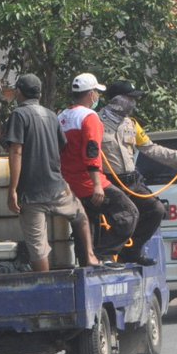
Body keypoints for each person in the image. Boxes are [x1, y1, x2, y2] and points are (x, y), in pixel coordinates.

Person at [2, 73, 99, 271]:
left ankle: (45, 284)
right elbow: (62, 145)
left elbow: (16, 151)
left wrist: (13, 189)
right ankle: (89, 256)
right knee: (80, 216)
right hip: (57, 187)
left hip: (31, 193)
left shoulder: (19, 115)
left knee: (38, 247)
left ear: (19, 92)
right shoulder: (52, 115)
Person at [98, 81, 177, 266]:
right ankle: (105, 255)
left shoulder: (132, 124)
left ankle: (131, 252)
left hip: (132, 180)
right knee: (127, 216)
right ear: (117, 100)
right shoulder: (96, 122)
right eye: (131, 99)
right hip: (110, 181)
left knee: (156, 210)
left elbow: (150, 149)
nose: (134, 103)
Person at [58, 73, 138, 262]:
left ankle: (87, 261)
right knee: (129, 214)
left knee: (88, 224)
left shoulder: (61, 117)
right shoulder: (89, 117)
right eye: (96, 93)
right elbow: (92, 151)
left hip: (69, 185)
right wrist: (97, 185)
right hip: (89, 182)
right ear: (90, 94)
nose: (97, 97)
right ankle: (101, 255)